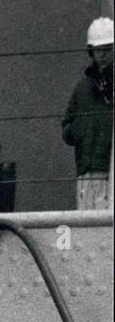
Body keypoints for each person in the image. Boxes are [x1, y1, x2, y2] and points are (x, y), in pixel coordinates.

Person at [62, 17, 113, 211]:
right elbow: (66, 128)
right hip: (87, 172)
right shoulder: (83, 87)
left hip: (110, 170)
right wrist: (80, 130)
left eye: (107, 50)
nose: (102, 55)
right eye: (97, 50)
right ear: (91, 51)